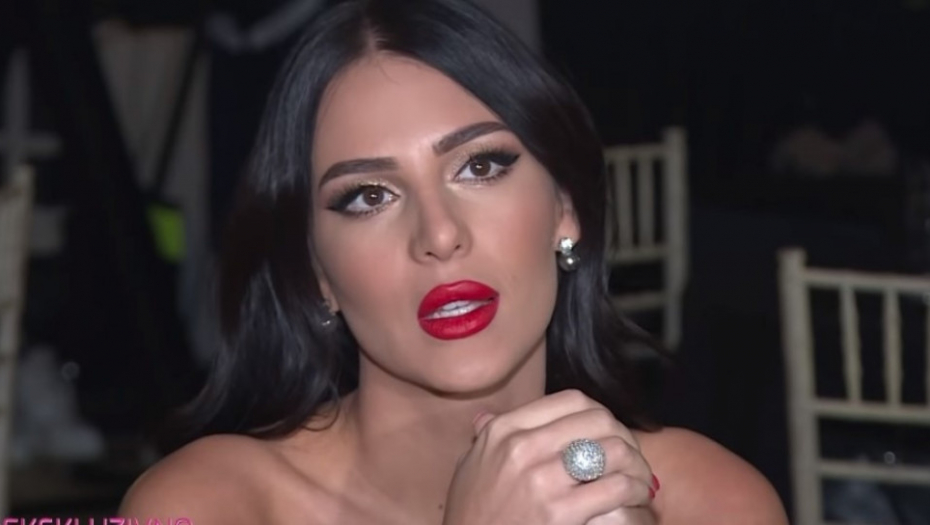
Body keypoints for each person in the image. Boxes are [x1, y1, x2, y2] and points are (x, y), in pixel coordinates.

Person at [120, 0, 789, 523]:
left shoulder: (706, 501)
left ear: (564, 208)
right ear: (317, 271)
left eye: (481, 166)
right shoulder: (203, 504)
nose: (439, 234)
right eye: (369, 196)